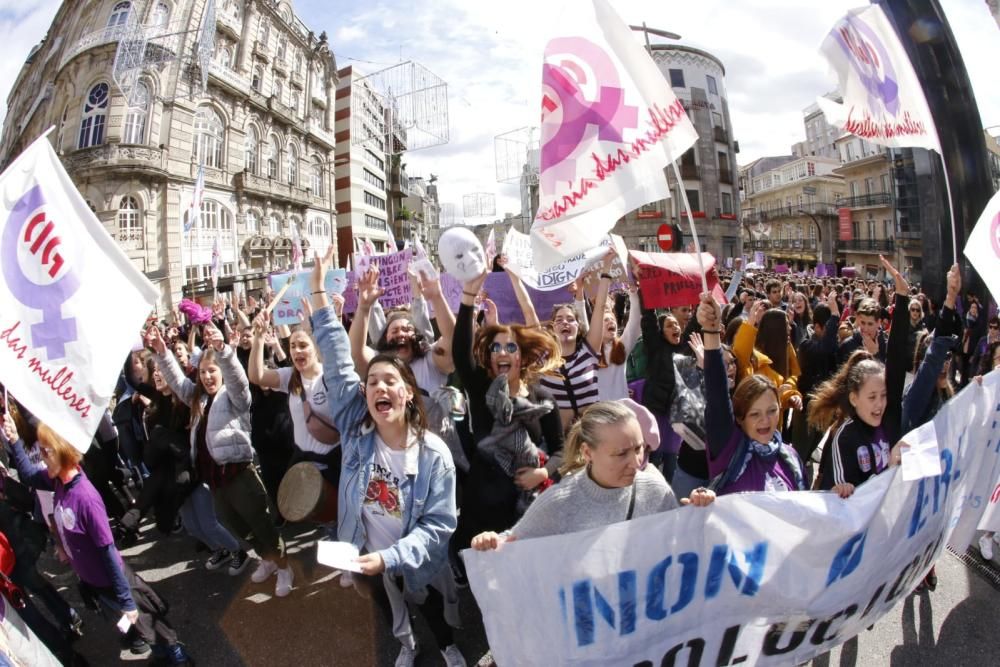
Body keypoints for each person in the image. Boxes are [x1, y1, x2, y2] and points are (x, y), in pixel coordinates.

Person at [308, 248, 465, 667]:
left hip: (416, 561)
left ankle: (447, 645)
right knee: (388, 606)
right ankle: (407, 644)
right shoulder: (356, 432)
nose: (379, 386)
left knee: (431, 605)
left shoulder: (435, 456)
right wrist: (319, 289)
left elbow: (438, 526)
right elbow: (340, 359)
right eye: (372, 380)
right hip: (364, 553)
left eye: (389, 380)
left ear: (408, 392)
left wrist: (391, 558)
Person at [2, 417, 191, 664]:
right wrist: (15, 440)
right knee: (135, 625)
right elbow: (27, 475)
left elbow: (108, 551)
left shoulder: (85, 498)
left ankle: (178, 656)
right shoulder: (57, 480)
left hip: (112, 579)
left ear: (63, 450)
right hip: (95, 581)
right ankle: (160, 653)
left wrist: (125, 599)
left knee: (145, 619)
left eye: (47, 451)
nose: (43, 456)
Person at [147, 322, 292, 597]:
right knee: (239, 526)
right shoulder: (198, 398)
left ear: (221, 372)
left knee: (260, 523)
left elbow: (238, 379)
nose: (207, 378)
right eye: (202, 373)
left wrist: (224, 352)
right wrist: (162, 352)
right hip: (213, 478)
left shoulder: (234, 396)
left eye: (212, 371)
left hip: (238, 474)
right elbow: (178, 383)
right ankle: (268, 559)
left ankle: (285, 566)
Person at [470, 400, 714, 549]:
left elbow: (679, 544)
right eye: (620, 454)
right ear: (588, 452)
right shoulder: (558, 502)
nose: (635, 462)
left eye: (639, 449)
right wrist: (490, 542)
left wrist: (697, 512)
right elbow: (512, 545)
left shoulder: (655, 487)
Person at [808, 256, 910, 498]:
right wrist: (842, 489)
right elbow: (843, 498)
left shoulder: (889, 415)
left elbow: (896, 359)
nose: (879, 404)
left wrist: (903, 298)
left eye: (883, 396)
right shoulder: (845, 436)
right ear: (853, 398)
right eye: (872, 396)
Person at [698, 293, 808, 495]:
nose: (765, 421)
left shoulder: (791, 458)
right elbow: (717, 395)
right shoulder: (730, 452)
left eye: (772, 411)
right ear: (740, 417)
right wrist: (711, 333)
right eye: (755, 414)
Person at [248, 311, 342, 495]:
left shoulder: (331, 375)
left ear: (315, 348)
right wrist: (258, 337)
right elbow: (256, 376)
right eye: (292, 346)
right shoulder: (290, 376)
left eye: (303, 345)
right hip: (307, 469)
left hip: (336, 467)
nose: (297, 350)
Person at [539, 254, 615, 431]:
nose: (565, 322)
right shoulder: (543, 361)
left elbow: (601, 306)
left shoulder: (588, 351)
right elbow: (528, 314)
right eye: (559, 320)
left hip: (592, 437)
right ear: (552, 328)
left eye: (570, 319)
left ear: (578, 326)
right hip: (559, 444)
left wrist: (606, 268)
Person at [594, 284, 641, 401]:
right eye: (606, 320)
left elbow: (635, 322)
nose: (611, 322)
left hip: (622, 410)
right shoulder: (589, 350)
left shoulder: (621, 346)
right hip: (600, 412)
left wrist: (633, 294)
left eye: (612, 319)